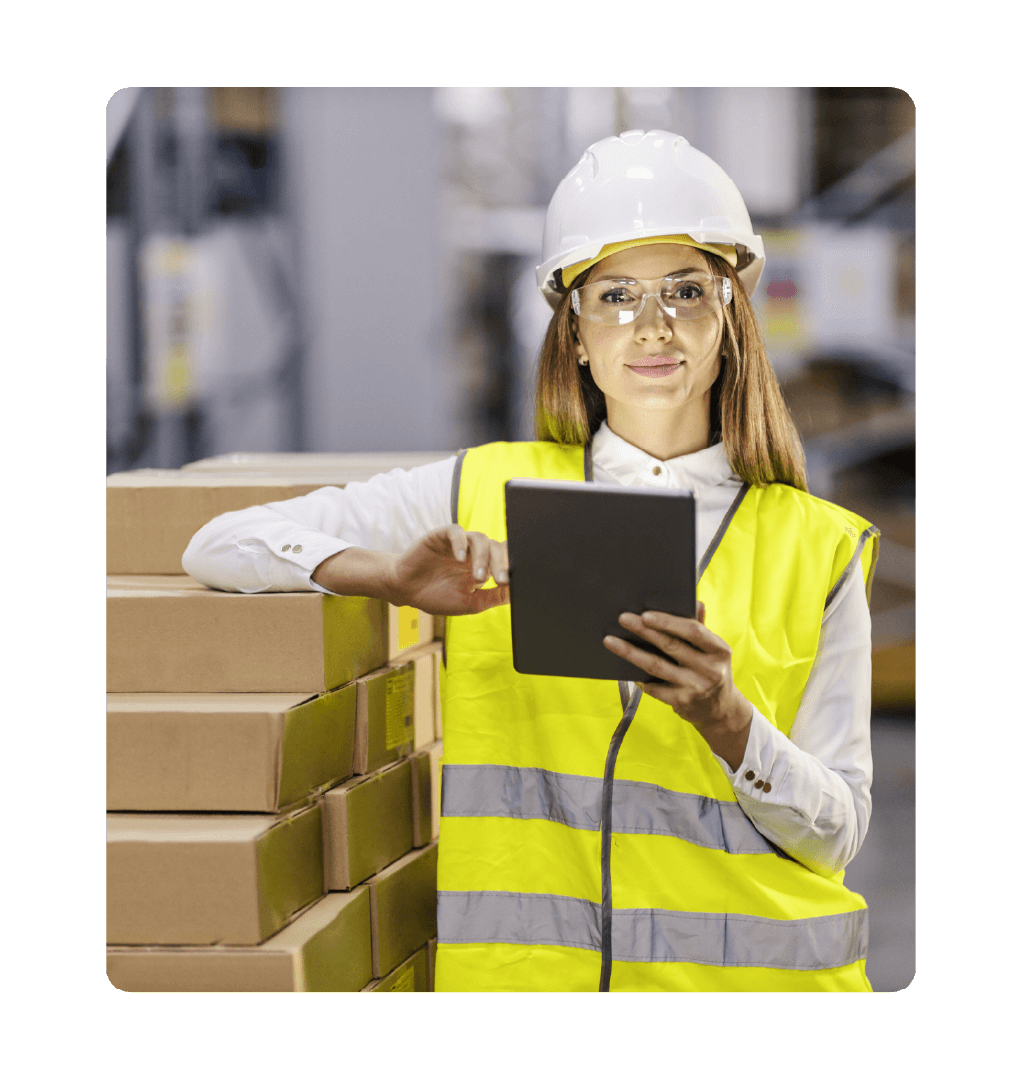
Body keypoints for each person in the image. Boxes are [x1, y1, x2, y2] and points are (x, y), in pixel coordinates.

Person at [183, 129, 880, 993]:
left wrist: (730, 723)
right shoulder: (482, 489)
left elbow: (838, 830)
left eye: (686, 293)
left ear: (730, 321)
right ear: (575, 334)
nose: (652, 324)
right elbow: (217, 545)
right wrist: (388, 577)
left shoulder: (818, 546)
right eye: (615, 295)